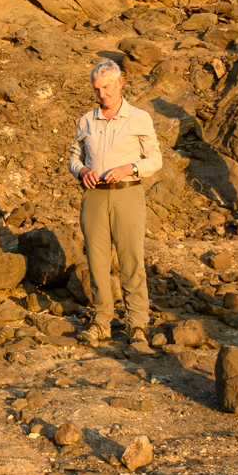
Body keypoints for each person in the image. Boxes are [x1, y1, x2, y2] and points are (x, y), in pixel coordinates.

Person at [68, 58, 162, 348]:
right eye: (97, 89)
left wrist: (129, 168)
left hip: (127, 194)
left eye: (107, 87)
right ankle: (101, 322)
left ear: (120, 83)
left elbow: (155, 159)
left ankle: (137, 325)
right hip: (94, 196)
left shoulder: (139, 118)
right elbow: (73, 157)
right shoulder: (86, 120)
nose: (103, 94)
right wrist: (81, 170)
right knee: (97, 263)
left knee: (131, 260)